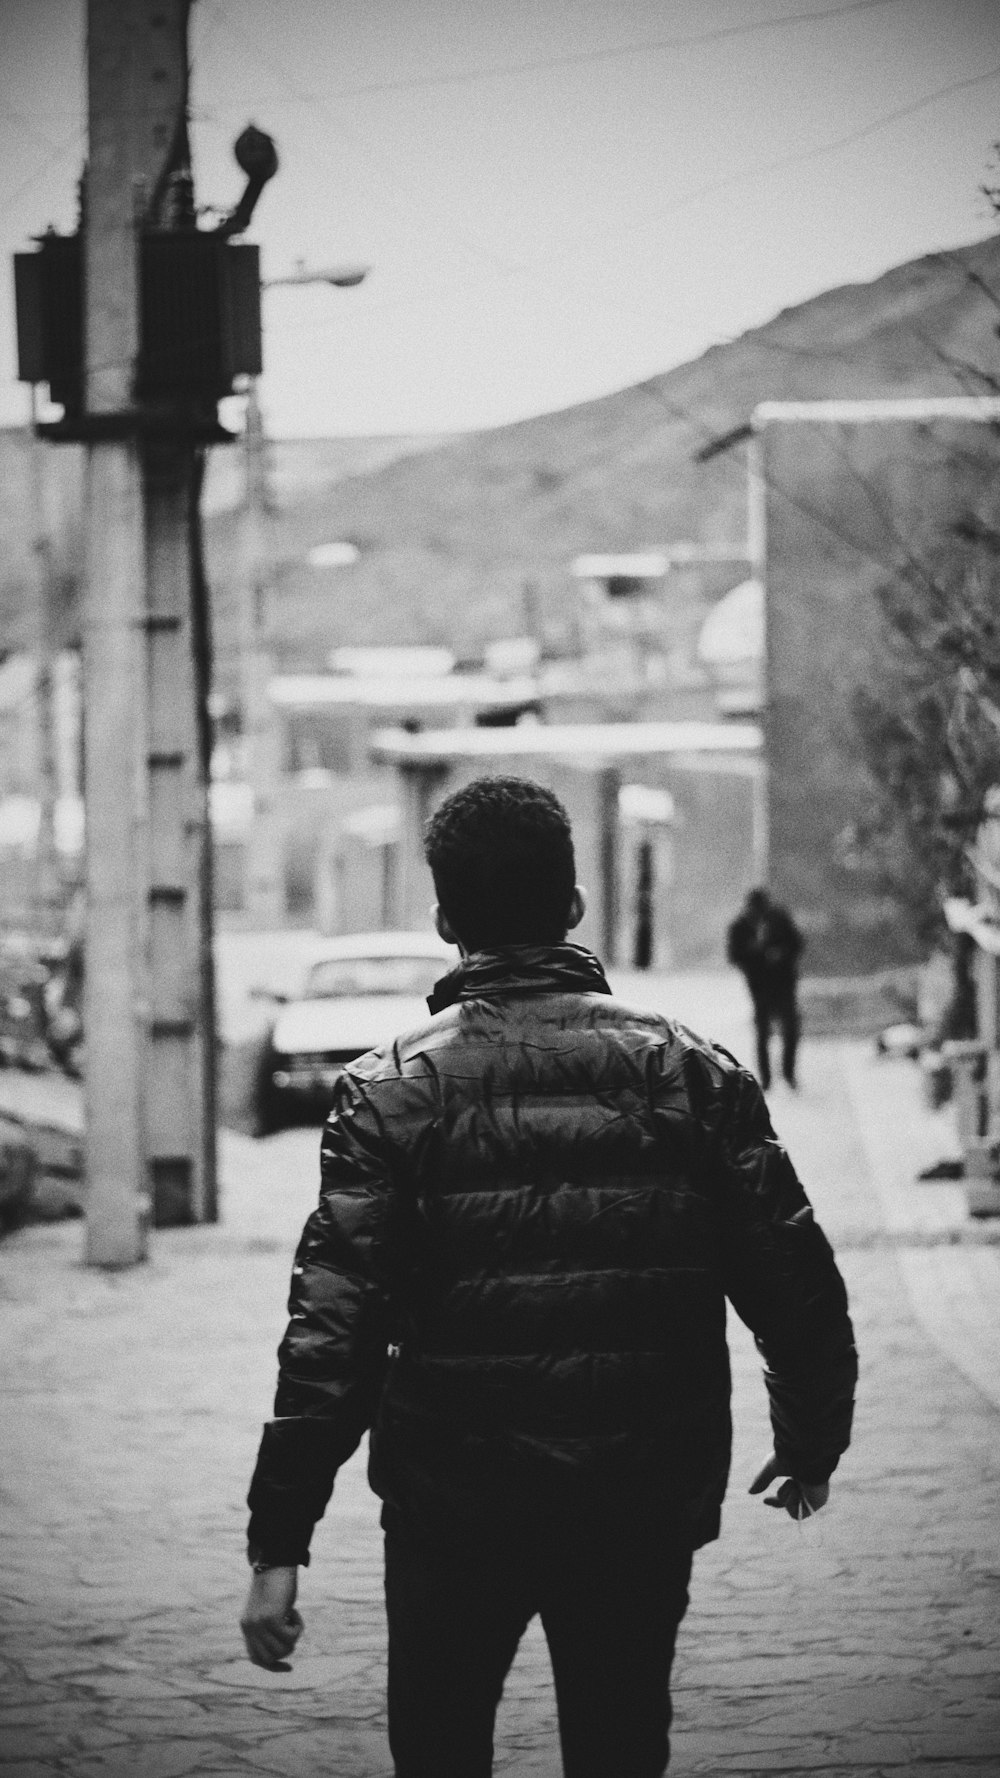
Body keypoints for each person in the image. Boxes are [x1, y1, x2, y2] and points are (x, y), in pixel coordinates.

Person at [241, 776, 857, 1778]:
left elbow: (331, 1333)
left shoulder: (387, 1091)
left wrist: (279, 1542)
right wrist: (812, 1434)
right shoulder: (692, 1072)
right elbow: (792, 1276)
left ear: (444, 919)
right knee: (618, 1739)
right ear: (573, 904)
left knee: (438, 1745)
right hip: (639, 1487)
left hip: (451, 1499)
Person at [726, 886, 804, 1091]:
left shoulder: (779, 919)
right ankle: (766, 1078)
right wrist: (755, 954)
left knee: (791, 1029)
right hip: (759, 985)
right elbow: (735, 955)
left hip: (783, 982)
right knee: (763, 1032)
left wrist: (781, 954)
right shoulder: (740, 926)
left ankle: (788, 1073)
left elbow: (797, 944)